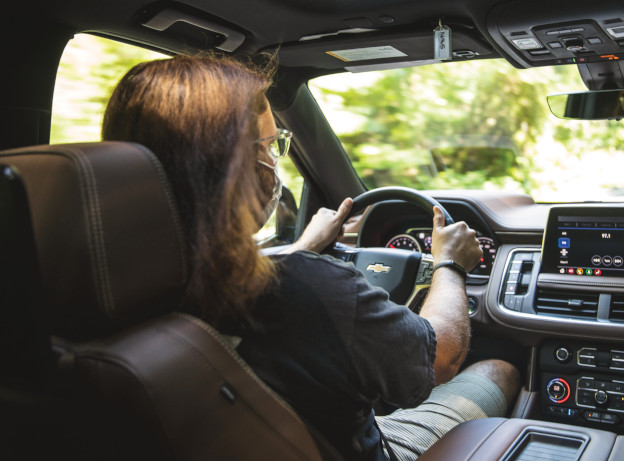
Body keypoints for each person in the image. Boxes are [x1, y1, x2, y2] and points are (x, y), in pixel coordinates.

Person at [102, 55, 520, 461]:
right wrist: (449, 263)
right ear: (235, 167)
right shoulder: (306, 288)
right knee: (498, 370)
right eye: (270, 145)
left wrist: (302, 248)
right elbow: (440, 358)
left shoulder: (102, 285)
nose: (273, 161)